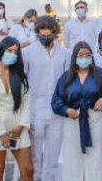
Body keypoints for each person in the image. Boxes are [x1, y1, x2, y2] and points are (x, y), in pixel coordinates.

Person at [53, 42, 102, 180]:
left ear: (92, 57)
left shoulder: (101, 75)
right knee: (72, 158)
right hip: (73, 119)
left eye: (87, 55)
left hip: (96, 119)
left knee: (96, 158)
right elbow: (56, 100)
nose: (84, 58)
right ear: (75, 57)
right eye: (81, 55)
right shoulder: (67, 76)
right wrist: (67, 110)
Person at [0, 37, 34, 180]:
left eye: (16, 52)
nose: (13, 54)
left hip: (18, 127)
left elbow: (27, 101)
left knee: (28, 170)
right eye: (10, 50)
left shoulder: (20, 75)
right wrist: (1, 133)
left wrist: (21, 125)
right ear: (2, 50)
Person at [22, 15, 69, 181]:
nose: (45, 39)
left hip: (57, 112)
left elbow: (67, 81)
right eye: (42, 36)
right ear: (37, 33)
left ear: (55, 34)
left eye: (49, 36)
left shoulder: (64, 53)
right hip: (35, 111)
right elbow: (22, 84)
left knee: (53, 158)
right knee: (35, 158)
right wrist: (25, 115)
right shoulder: (27, 53)